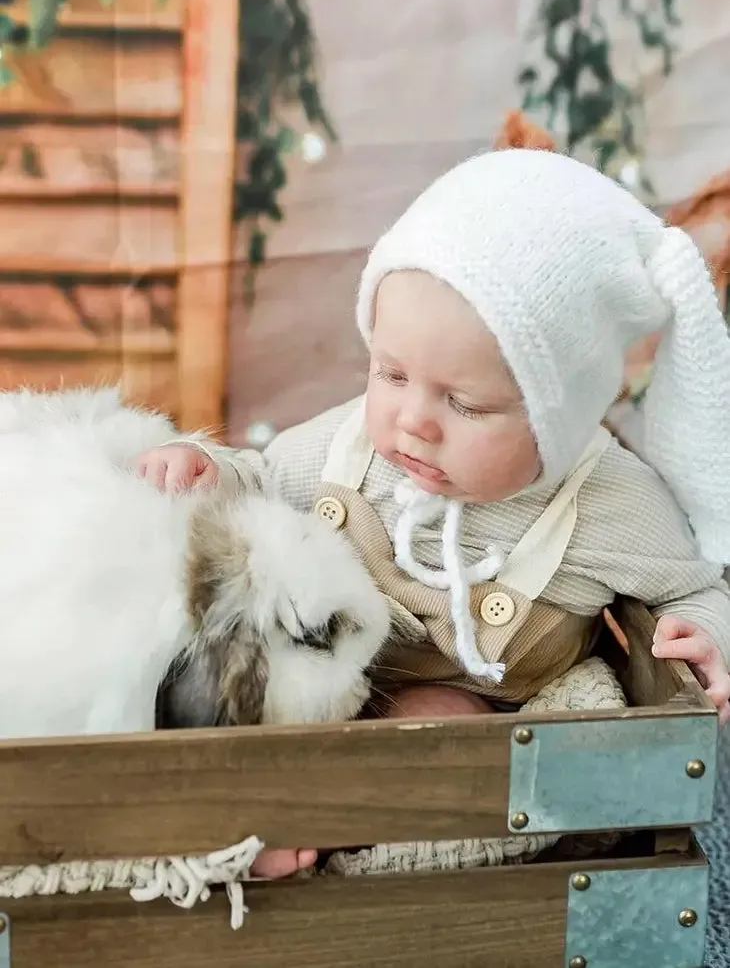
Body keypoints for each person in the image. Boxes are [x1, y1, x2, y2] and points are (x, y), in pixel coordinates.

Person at [136, 148, 730, 878]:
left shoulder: (608, 503)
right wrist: (206, 470)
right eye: (390, 373)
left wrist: (706, 637)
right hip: (327, 671)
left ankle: (323, 835)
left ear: (564, 417)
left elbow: (698, 584)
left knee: (439, 728)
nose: (412, 419)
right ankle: (234, 810)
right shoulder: (348, 444)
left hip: (464, 711)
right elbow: (258, 481)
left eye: (464, 402)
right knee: (233, 687)